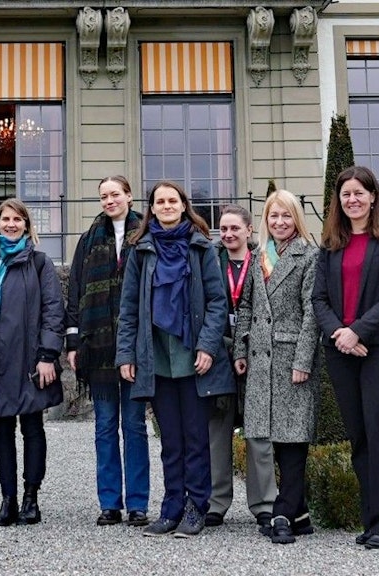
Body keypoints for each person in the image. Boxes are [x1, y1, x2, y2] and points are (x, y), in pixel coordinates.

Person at [116, 181, 234, 539]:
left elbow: (218, 302)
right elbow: (129, 307)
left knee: (196, 438)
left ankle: (197, 508)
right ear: (152, 208)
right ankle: (170, 509)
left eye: (172, 200)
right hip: (157, 358)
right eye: (159, 201)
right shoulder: (140, 249)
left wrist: (208, 347)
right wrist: (126, 354)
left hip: (194, 357)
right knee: (170, 439)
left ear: (184, 206)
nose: (166, 206)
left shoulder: (202, 248)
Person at [312, 166, 379, 549]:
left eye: (359, 193)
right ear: (338, 201)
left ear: (373, 197)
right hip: (342, 351)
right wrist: (341, 334)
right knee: (359, 436)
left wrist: (358, 331)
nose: (352, 200)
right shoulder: (330, 244)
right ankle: (371, 519)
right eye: (345, 194)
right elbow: (318, 299)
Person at [0, 198, 64, 527]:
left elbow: (53, 312)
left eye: (17, 219)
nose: (10, 224)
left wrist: (48, 355)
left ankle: (30, 498)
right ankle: (7, 499)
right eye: (5, 219)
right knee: (2, 429)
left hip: (30, 359)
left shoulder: (39, 263)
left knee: (33, 428)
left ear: (26, 225)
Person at [232, 191, 320, 544]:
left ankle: (282, 512)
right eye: (273, 217)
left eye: (286, 216)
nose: (280, 223)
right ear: (265, 221)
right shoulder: (258, 257)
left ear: (296, 218)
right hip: (260, 360)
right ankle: (299, 514)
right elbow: (248, 305)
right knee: (269, 438)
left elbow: (312, 312)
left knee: (293, 440)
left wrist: (303, 360)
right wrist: (240, 346)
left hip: (289, 360)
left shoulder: (308, 255)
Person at [65, 175, 150, 528]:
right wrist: (73, 341)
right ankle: (109, 503)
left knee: (134, 426)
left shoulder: (146, 232)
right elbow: (75, 290)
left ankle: (138, 504)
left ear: (129, 196)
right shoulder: (88, 239)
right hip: (97, 348)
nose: (110, 200)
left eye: (115, 194)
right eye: (104, 196)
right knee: (103, 427)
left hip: (133, 345)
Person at [206, 204, 278, 531]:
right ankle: (216, 502)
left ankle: (264, 504)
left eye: (235, 228)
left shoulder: (263, 261)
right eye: (224, 229)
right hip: (219, 351)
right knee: (217, 429)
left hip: (256, 350)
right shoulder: (210, 260)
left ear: (249, 230)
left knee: (258, 429)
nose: (229, 234)